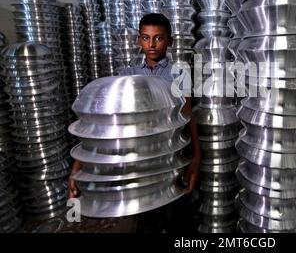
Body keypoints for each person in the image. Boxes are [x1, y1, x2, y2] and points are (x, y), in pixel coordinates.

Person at [68, 13, 202, 233]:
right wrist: (79, 166)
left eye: (158, 38)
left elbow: (187, 115)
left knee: (176, 215)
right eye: (146, 38)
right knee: (144, 218)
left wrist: (196, 156)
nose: (152, 44)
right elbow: (111, 125)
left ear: (170, 41)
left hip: (169, 154)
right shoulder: (127, 74)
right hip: (139, 159)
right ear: (139, 40)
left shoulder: (179, 73)